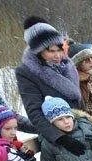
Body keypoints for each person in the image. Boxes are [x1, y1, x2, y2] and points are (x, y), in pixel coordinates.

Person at [15, 17, 82, 151]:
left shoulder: (67, 65)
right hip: (59, 139)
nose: (57, 55)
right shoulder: (27, 72)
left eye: (59, 49)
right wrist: (60, 138)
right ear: (38, 51)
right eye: (51, 51)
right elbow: (34, 112)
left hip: (80, 129)